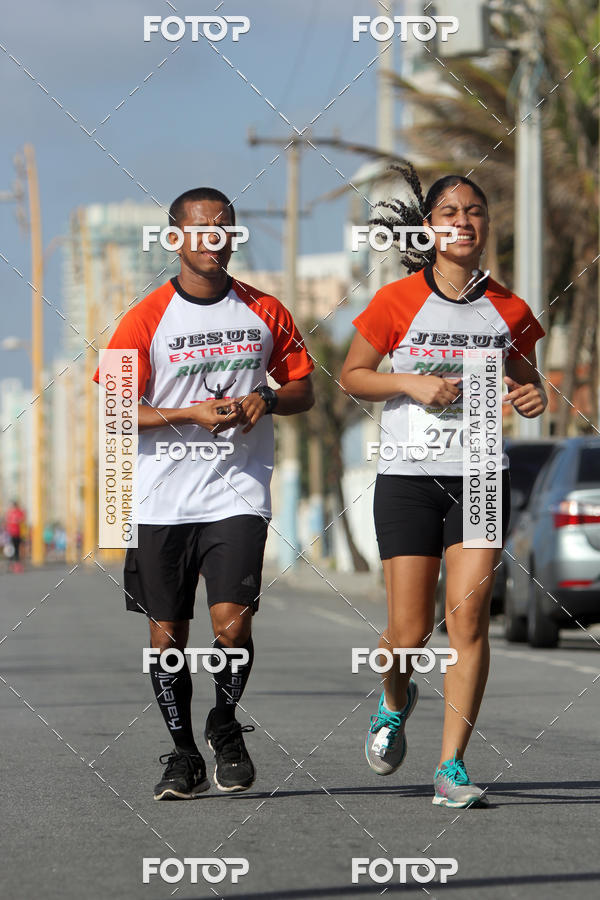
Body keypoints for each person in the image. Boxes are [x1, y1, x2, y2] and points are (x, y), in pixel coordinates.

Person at [95, 187, 314, 800]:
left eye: (224, 229)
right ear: (176, 238)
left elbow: (304, 390)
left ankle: (224, 722)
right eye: (201, 230)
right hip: (161, 499)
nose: (213, 239)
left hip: (236, 493)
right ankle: (183, 753)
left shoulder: (266, 310)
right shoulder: (144, 319)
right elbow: (116, 412)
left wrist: (265, 398)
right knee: (167, 635)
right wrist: (186, 414)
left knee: (232, 623)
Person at [340, 165, 546, 808]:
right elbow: (353, 375)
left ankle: (451, 765)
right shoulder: (399, 301)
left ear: (486, 225)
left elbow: (526, 376)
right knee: (408, 632)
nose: (463, 221)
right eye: (449, 212)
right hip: (408, 477)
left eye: (475, 211)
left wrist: (532, 393)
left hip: (482, 474)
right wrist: (411, 383)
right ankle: (395, 699)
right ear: (428, 229)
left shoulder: (508, 307)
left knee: (469, 623)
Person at [5, 500, 26, 573]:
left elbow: (21, 519)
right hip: (12, 533)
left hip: (17, 533)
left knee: (16, 549)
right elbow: (8, 522)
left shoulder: (18, 512)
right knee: (11, 549)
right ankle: (12, 564)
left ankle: (16, 565)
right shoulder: (11, 512)